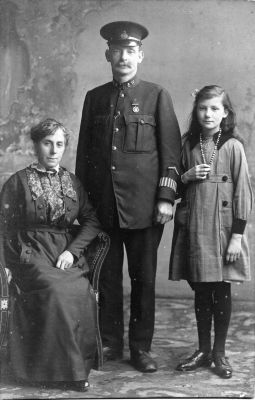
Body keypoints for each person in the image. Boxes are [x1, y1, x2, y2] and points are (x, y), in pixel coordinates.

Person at [75, 21, 181, 372]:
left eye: (130, 51)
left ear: (140, 55)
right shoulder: (95, 98)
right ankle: (109, 342)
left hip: (144, 207)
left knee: (143, 279)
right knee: (105, 278)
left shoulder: (157, 95)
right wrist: (82, 205)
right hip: (103, 207)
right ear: (108, 55)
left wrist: (166, 196)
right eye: (117, 51)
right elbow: (83, 156)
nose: (124, 57)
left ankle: (140, 348)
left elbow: (171, 154)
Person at [0, 118, 102, 392]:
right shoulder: (18, 181)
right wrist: (6, 264)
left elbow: (91, 221)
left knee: (77, 289)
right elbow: (3, 225)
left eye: (59, 144)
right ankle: (46, 372)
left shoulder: (72, 181)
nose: (54, 150)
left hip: (64, 253)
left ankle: (76, 371)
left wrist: (72, 251)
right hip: (30, 252)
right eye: (47, 143)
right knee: (53, 290)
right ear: (36, 146)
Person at [169, 85, 253, 379]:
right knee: (201, 290)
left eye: (215, 108)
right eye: (203, 108)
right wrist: (186, 176)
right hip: (194, 228)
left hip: (223, 230)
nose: (208, 114)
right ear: (196, 111)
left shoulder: (232, 146)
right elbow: (171, 186)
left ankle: (219, 353)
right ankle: (203, 349)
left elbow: (243, 193)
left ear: (225, 113)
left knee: (221, 290)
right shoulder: (187, 144)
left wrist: (237, 236)